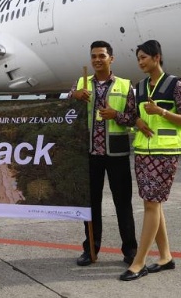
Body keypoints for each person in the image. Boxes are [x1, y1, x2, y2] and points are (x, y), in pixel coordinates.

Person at [121, 39, 181, 281]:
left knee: (151, 203)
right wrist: (138, 121)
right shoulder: (139, 87)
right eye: (138, 58)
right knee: (152, 204)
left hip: (166, 152)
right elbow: (130, 115)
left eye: (144, 57)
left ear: (156, 57)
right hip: (143, 151)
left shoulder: (175, 85)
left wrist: (160, 111)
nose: (140, 62)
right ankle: (165, 257)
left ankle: (139, 262)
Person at [68, 40, 138, 266]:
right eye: (94, 56)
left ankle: (130, 250)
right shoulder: (81, 83)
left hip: (116, 153)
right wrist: (74, 96)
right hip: (90, 154)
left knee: (123, 203)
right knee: (91, 204)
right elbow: (65, 110)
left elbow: (133, 119)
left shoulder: (125, 86)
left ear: (111, 58)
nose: (97, 60)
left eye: (102, 56)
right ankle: (90, 249)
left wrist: (115, 115)